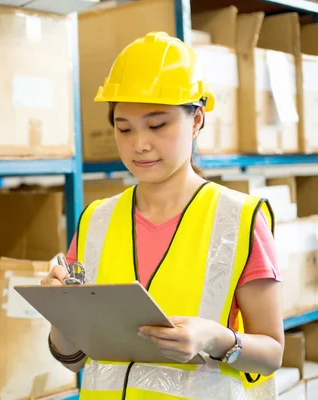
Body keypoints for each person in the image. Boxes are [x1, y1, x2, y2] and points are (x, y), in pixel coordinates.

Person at [42, 31, 284, 399]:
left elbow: (271, 353)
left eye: (157, 125)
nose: (139, 143)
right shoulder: (96, 220)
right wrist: (60, 313)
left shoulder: (239, 219)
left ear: (197, 119)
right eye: (124, 128)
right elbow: (74, 360)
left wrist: (216, 339)